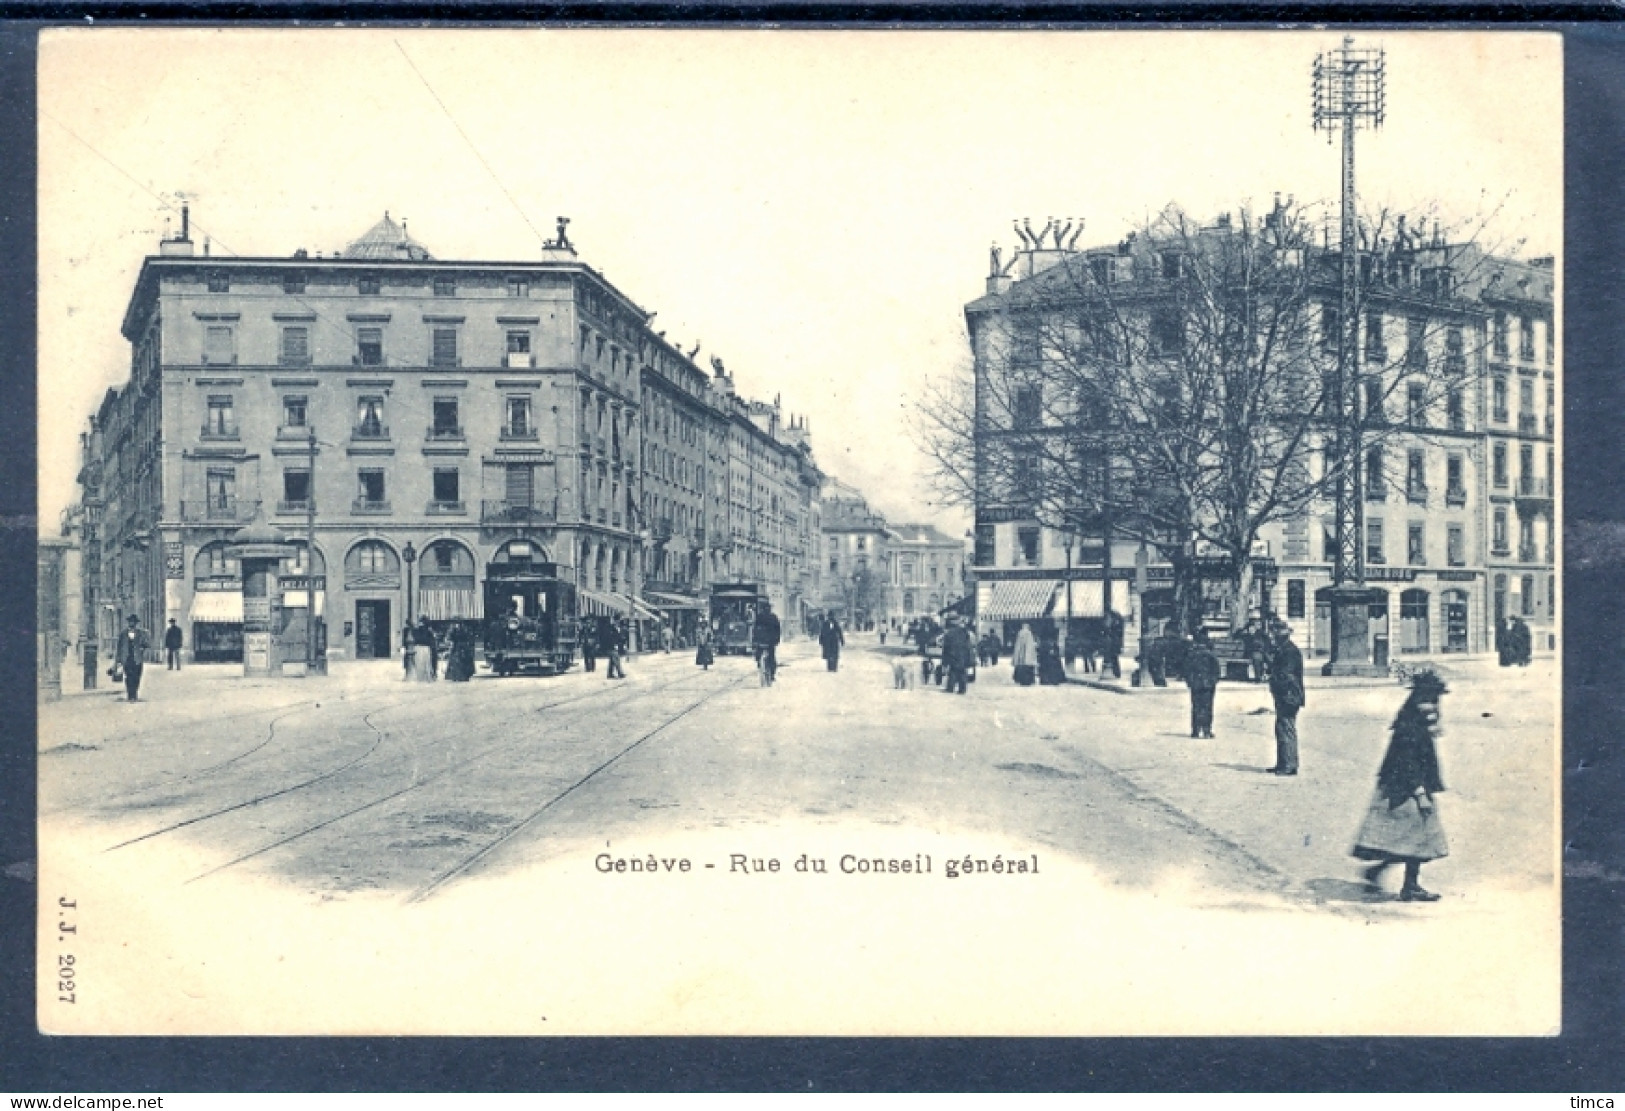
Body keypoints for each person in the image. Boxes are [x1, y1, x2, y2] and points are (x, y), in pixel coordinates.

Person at [1353, 670, 1451, 901]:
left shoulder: (1415, 720)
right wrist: (1420, 794)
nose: (1435, 706)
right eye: (1431, 700)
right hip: (1405, 790)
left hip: (1406, 788)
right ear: (1420, 700)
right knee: (1414, 840)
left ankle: (1388, 875)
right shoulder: (1411, 728)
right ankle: (1406, 884)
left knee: (1412, 841)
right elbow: (1408, 764)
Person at [1266, 622, 1305, 775]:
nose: (1273, 638)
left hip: (1289, 695)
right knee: (1281, 728)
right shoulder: (1284, 649)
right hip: (1286, 694)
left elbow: (1286, 675)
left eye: (1275, 635)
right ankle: (1283, 763)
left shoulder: (1289, 651)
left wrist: (1273, 678)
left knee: (1286, 728)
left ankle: (1289, 765)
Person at [1184, 627, 1221, 739]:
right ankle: (1207, 730)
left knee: (1196, 706)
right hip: (1208, 685)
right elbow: (1216, 671)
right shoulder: (1211, 655)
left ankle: (1195, 731)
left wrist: (1189, 682)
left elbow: (1186, 670)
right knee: (1208, 707)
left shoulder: (1191, 655)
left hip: (1196, 684)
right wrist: (1213, 681)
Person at [116, 614, 150, 702]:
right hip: (127, 659)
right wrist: (118, 660)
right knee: (128, 677)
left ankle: (134, 694)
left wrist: (142, 649)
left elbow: (146, 644)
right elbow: (119, 647)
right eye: (130, 622)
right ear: (128, 623)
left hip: (137, 659)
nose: (132, 623)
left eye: (133, 622)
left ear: (136, 623)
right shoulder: (123, 634)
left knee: (137, 677)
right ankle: (130, 695)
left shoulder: (141, 633)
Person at [940, 615, 974, 695]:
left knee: (953, 671)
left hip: (953, 654)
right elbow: (968, 644)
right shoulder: (964, 632)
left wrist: (945, 660)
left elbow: (946, 647)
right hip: (963, 654)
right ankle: (962, 689)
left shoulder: (949, 633)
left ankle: (950, 688)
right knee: (962, 672)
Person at [752, 602, 782, 685]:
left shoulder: (759, 617)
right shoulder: (773, 617)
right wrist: (777, 640)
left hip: (761, 641)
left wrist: (754, 640)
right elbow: (778, 630)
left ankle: (759, 665)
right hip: (770, 642)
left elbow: (755, 630)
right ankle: (772, 674)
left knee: (758, 655)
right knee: (771, 657)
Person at [1011, 622, 1038, 687]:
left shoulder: (1020, 633)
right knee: (1028, 666)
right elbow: (1030, 645)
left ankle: (1020, 679)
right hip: (1028, 653)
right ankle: (1028, 680)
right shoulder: (1029, 633)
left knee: (1021, 666)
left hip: (1021, 653)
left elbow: (1018, 644)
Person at [1101, 609, 1124, 679]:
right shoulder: (1119, 624)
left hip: (1112, 643)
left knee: (1113, 658)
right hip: (1115, 643)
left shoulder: (1114, 625)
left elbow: (1107, 628)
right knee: (1114, 658)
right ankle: (1117, 673)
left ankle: (1116, 672)